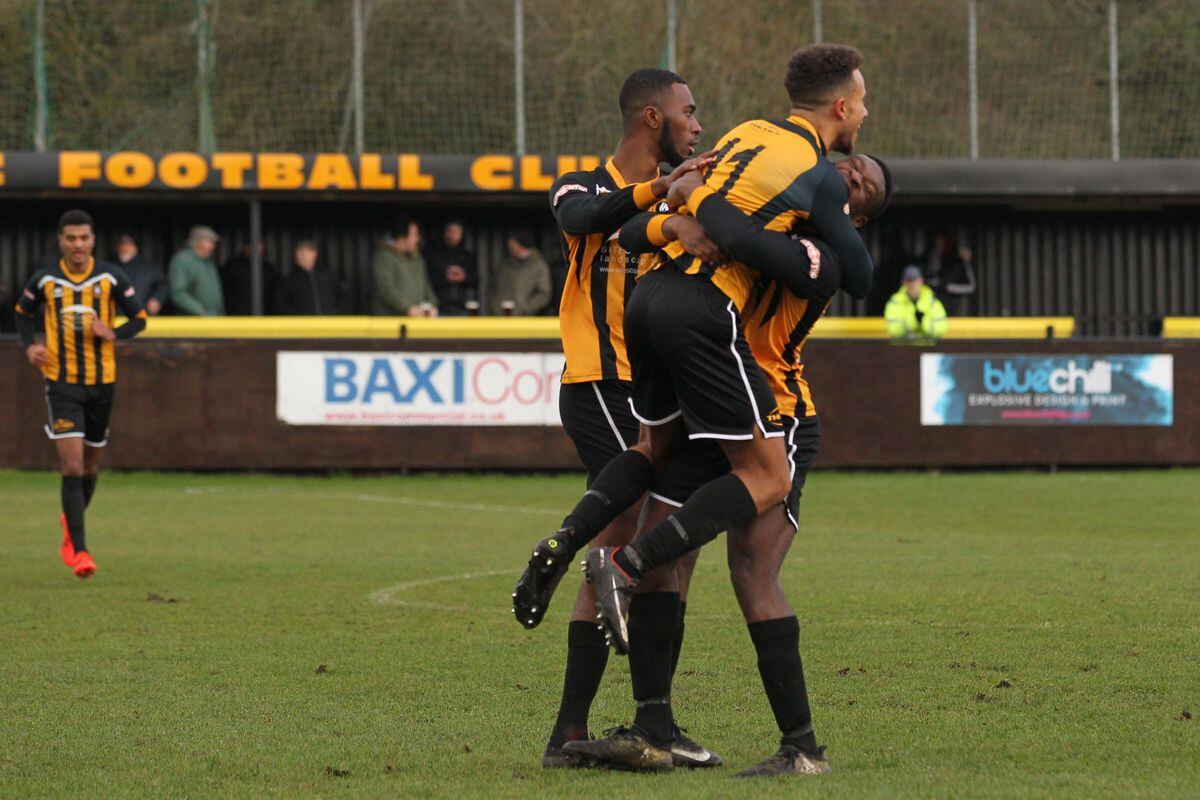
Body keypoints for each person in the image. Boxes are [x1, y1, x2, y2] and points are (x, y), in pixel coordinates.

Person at [513, 44, 875, 777]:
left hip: (769, 400)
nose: (849, 173)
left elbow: (809, 262)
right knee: (661, 543)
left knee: (745, 566)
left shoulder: (817, 254)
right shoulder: (766, 180)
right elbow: (619, 228)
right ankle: (651, 722)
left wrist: (698, 208)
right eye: (850, 165)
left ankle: (791, 745)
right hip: (702, 374)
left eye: (862, 182)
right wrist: (675, 218)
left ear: (853, 209)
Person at [510, 66, 721, 770]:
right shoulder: (582, 183)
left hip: (664, 392)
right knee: (628, 548)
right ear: (652, 118)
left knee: (657, 554)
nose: (699, 124)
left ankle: (641, 725)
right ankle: (589, 730)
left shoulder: (685, 192)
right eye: (690, 112)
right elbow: (582, 220)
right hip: (602, 383)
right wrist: (664, 192)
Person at [12, 209, 147, 579]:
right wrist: (29, 347)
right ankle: (80, 550)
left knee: (90, 466)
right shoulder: (45, 279)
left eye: (84, 238)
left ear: (93, 240)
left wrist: (113, 332)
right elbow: (22, 314)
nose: (77, 245)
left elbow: (140, 319)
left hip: (102, 383)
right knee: (71, 465)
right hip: (61, 381)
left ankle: (70, 523)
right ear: (61, 240)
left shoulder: (110, 277)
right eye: (71, 238)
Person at [370, 217, 438, 316]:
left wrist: (432, 305)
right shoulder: (384, 257)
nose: (418, 239)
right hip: (390, 323)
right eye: (414, 235)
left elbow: (425, 286)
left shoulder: (416, 259)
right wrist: (407, 308)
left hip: (415, 322)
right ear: (402, 238)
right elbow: (385, 288)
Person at [488, 230, 552, 315]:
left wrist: (525, 308)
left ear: (520, 244)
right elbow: (492, 288)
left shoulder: (539, 266)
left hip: (526, 323)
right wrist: (496, 307)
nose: (509, 244)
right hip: (501, 321)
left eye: (512, 241)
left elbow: (544, 294)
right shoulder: (504, 265)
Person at [424, 219, 478, 316]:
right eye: (451, 231)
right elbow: (426, 279)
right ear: (445, 233)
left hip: (462, 308)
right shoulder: (433, 254)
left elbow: (475, 280)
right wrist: (445, 276)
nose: (454, 235)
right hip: (439, 308)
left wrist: (463, 277)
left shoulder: (466, 256)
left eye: (457, 232)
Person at [277, 240, 344, 315]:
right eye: (299, 251)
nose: (302, 254)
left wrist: (336, 315)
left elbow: (342, 298)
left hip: (330, 325)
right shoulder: (288, 280)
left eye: (306, 251)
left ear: (315, 254)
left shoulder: (329, 276)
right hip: (303, 325)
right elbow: (282, 305)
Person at [169, 226, 224, 316]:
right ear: (197, 241)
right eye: (210, 242)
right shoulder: (183, 260)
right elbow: (178, 294)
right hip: (190, 323)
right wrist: (200, 311)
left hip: (212, 320)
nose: (213, 246)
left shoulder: (208, 263)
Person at [885, 265, 948, 340]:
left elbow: (941, 329)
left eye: (915, 280)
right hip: (903, 347)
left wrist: (923, 323)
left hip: (927, 346)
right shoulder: (895, 302)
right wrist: (913, 328)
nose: (913, 284)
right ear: (904, 282)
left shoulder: (932, 301)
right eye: (909, 281)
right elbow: (893, 329)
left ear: (921, 281)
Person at [113, 234, 168, 316]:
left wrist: (157, 299)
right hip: (115, 318)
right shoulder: (110, 267)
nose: (125, 248)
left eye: (129, 245)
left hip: (143, 317)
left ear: (135, 247)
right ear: (117, 248)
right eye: (122, 245)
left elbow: (163, 285)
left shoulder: (148, 267)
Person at [221, 241, 277, 315]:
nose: (257, 249)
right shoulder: (233, 267)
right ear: (246, 247)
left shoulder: (268, 269)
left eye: (260, 246)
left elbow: (274, 295)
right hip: (237, 317)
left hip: (263, 317)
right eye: (253, 246)